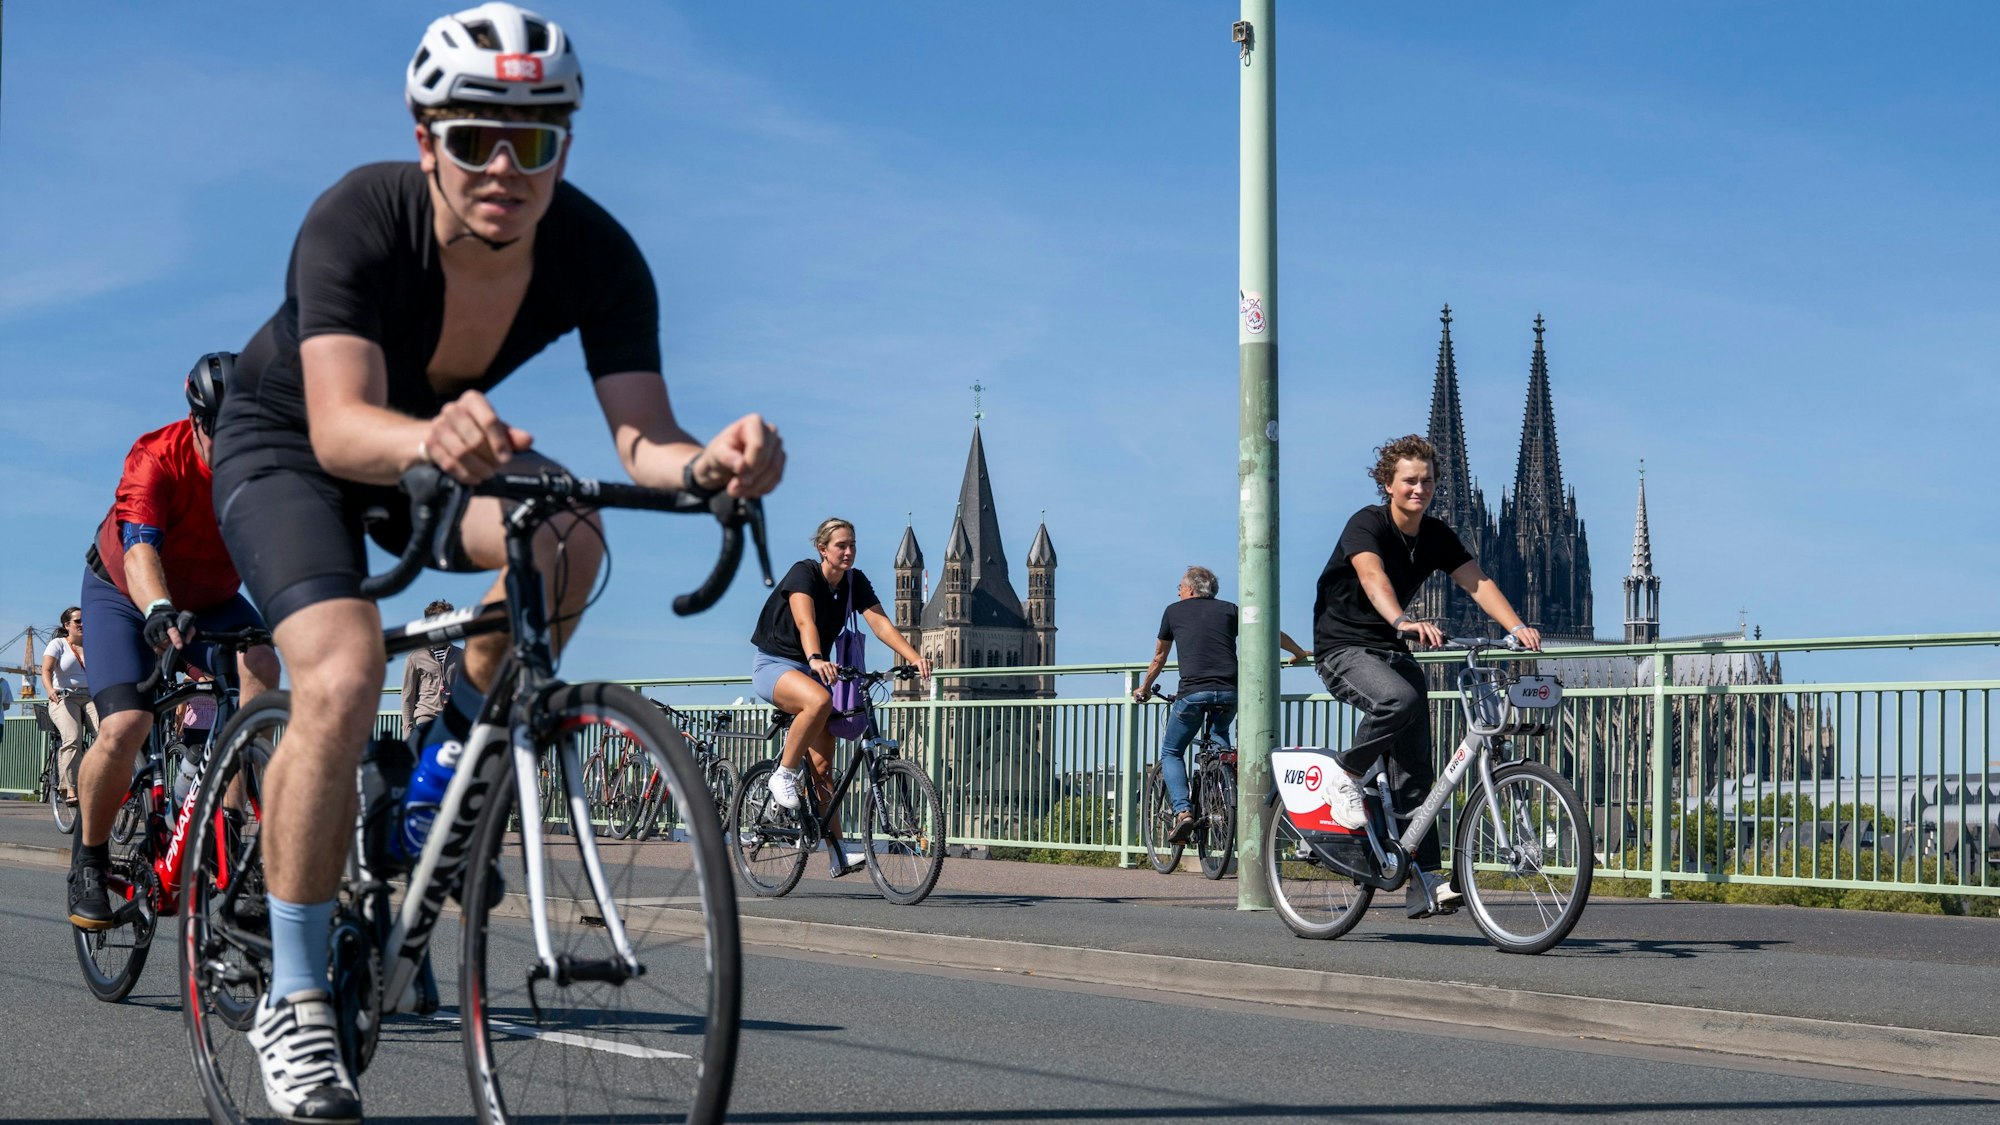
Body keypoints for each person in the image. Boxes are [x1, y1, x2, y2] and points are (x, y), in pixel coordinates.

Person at [207, 6, 783, 1118]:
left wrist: (711, 462)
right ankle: (293, 994)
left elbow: (641, 443)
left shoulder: (596, 253)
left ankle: (435, 787)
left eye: (537, 140)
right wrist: (428, 438)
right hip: (293, 443)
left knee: (568, 532)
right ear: (426, 139)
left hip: (432, 443)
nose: (505, 168)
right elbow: (336, 428)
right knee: (339, 666)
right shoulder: (359, 217)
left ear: (566, 143)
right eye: (475, 139)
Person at [68, 352, 281, 935]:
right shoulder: (155, 457)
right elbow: (139, 549)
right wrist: (158, 609)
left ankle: (233, 834)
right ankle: (88, 858)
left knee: (261, 660)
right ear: (196, 423)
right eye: (221, 433)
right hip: (125, 589)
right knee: (126, 725)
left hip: (212, 598)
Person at [1311, 434, 1542, 918]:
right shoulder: (1366, 524)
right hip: (1344, 646)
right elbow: (1374, 579)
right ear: (1389, 484)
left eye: (1427, 481)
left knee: (1418, 765)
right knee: (1399, 699)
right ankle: (1346, 777)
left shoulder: (1435, 534)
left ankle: (1422, 878)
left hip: (1390, 648)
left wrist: (1517, 626)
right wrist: (1401, 621)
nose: (1420, 489)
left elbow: (1477, 581)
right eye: (1410, 481)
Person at [749, 518, 929, 875]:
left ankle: (837, 854)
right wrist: (815, 657)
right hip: (776, 665)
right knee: (818, 701)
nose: (848, 552)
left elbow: (880, 624)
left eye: (853, 545)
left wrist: (914, 658)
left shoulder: (853, 582)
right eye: (841, 546)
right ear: (823, 549)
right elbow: (806, 622)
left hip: (817, 672)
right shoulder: (804, 574)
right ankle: (782, 773)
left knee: (822, 771)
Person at [1133, 566, 1310, 844]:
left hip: (1193, 694)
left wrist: (1143, 689)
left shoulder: (1173, 611)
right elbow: (1268, 631)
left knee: (1171, 751)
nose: (1178, 591)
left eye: (1180, 586)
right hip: (1230, 692)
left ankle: (1183, 813)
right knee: (1219, 739)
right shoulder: (1230, 609)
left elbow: (1159, 658)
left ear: (1190, 589)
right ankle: (1223, 792)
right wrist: (1298, 652)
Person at [40, 606, 95, 804]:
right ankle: (69, 787)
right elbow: (46, 671)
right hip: (64, 697)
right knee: (72, 738)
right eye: (77, 621)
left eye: (85, 620)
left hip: (90, 697)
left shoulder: (93, 644)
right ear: (67, 625)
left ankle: (98, 781)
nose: (82, 624)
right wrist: (50, 690)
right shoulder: (58, 644)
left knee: (108, 735)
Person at [400, 599, 465, 737]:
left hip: (453, 720)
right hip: (426, 719)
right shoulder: (415, 658)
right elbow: (407, 697)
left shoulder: (461, 656)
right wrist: (407, 732)